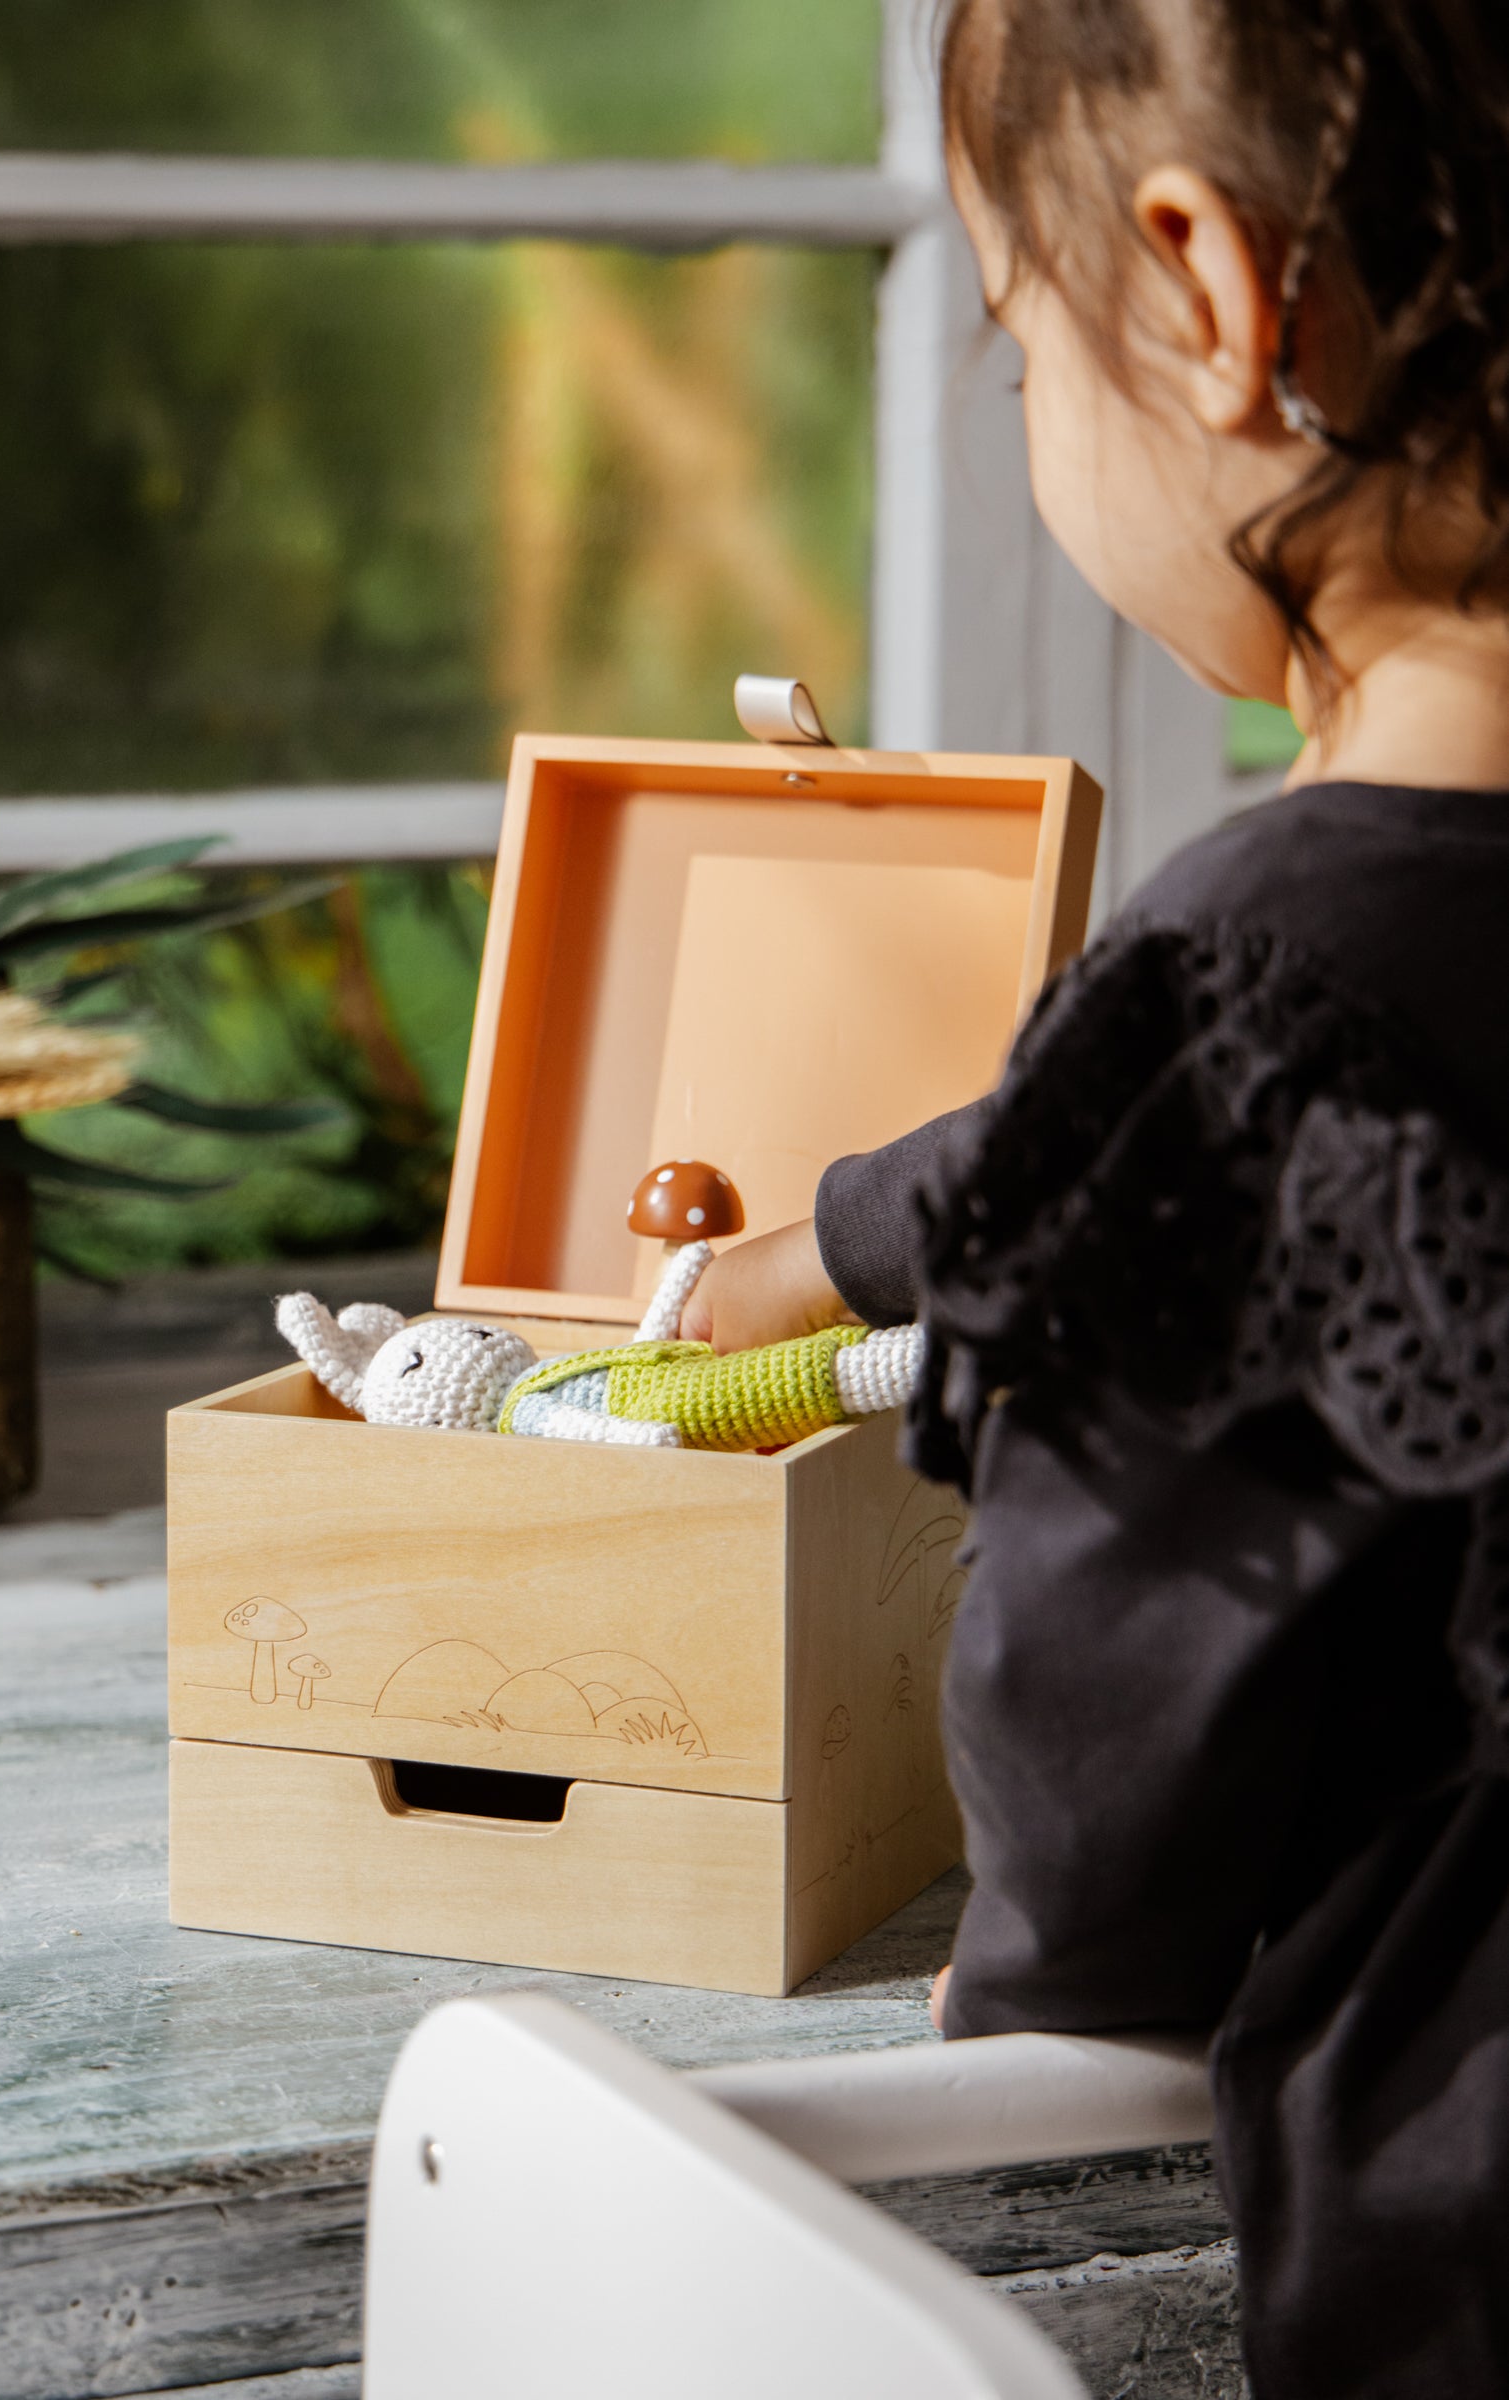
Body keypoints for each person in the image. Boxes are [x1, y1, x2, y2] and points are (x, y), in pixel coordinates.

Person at [680, 3, 1509, 2393]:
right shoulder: (1296, 1004)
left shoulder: (1256, 971)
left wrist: (1044, 1969)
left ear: (1214, 299)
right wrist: (834, 1240)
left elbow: (1120, 1645)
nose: (1029, 401)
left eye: (1017, 345)